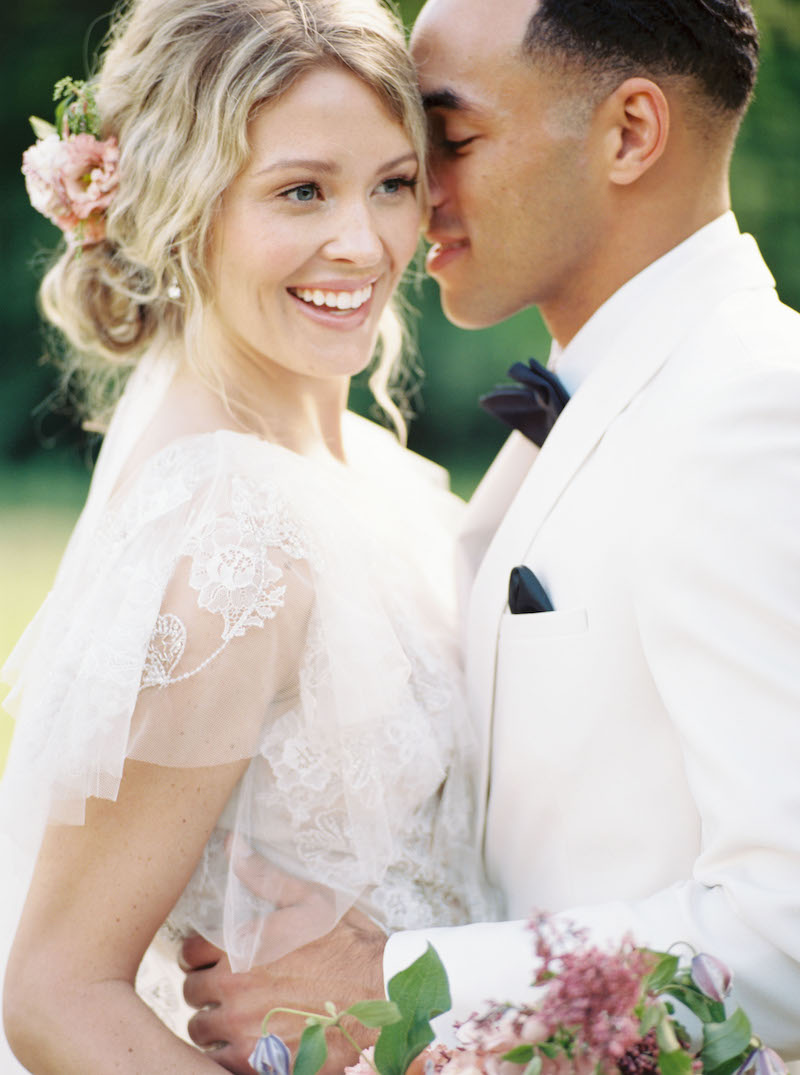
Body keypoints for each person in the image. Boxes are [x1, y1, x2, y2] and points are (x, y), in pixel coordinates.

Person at [178, 0, 800, 1067]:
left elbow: (785, 933)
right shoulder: (605, 396)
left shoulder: (751, 415)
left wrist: (395, 983)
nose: (416, 201)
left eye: (450, 141)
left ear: (628, 133)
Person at [0, 1, 499, 1072]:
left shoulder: (372, 472)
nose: (364, 243)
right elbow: (55, 993)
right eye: (300, 191)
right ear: (186, 207)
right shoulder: (233, 531)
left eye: (393, 182)